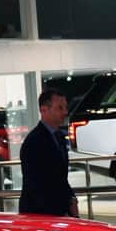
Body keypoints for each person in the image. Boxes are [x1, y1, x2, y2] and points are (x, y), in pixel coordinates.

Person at [19, 89, 79, 217]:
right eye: (60, 108)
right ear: (44, 110)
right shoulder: (34, 142)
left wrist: (71, 199)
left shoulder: (58, 137)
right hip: (40, 213)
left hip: (56, 212)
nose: (65, 112)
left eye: (65, 107)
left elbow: (60, 178)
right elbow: (36, 184)